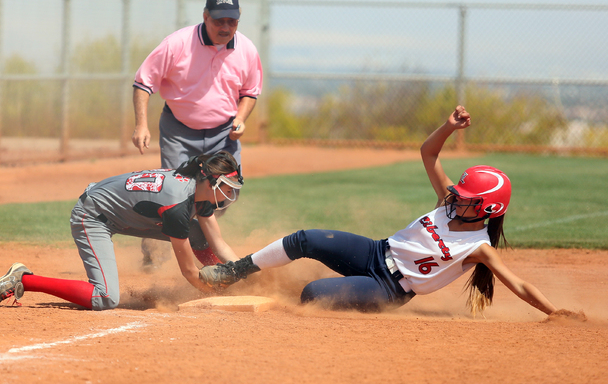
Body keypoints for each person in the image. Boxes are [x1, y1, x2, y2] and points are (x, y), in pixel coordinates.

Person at [198, 106, 561, 316]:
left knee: (312, 294)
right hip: (375, 250)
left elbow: (520, 285)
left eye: (467, 196)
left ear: (487, 209)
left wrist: (556, 313)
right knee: (304, 238)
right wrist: (448, 128)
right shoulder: (448, 204)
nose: (456, 195)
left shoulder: (479, 248)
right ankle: (234, 271)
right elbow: (428, 154)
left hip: (387, 287)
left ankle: (282, 296)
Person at [0, 151, 241, 310]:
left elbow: (217, 243)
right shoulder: (178, 205)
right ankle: (24, 279)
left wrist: (241, 271)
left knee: (197, 234)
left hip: (122, 214)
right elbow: (189, 273)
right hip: (93, 215)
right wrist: (213, 289)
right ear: (210, 181)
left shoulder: (198, 193)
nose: (231, 193)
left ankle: (226, 280)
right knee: (105, 298)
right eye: (228, 186)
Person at [131, 0, 263, 269]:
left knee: (227, 191)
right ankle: (155, 249)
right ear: (205, 16)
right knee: (178, 194)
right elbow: (143, 82)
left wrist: (241, 118)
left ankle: (199, 233)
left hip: (223, 134)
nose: (225, 26)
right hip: (179, 131)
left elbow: (251, 92)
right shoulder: (177, 44)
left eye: (231, 20)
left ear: (238, 19)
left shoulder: (247, 50)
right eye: (219, 20)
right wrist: (141, 124)